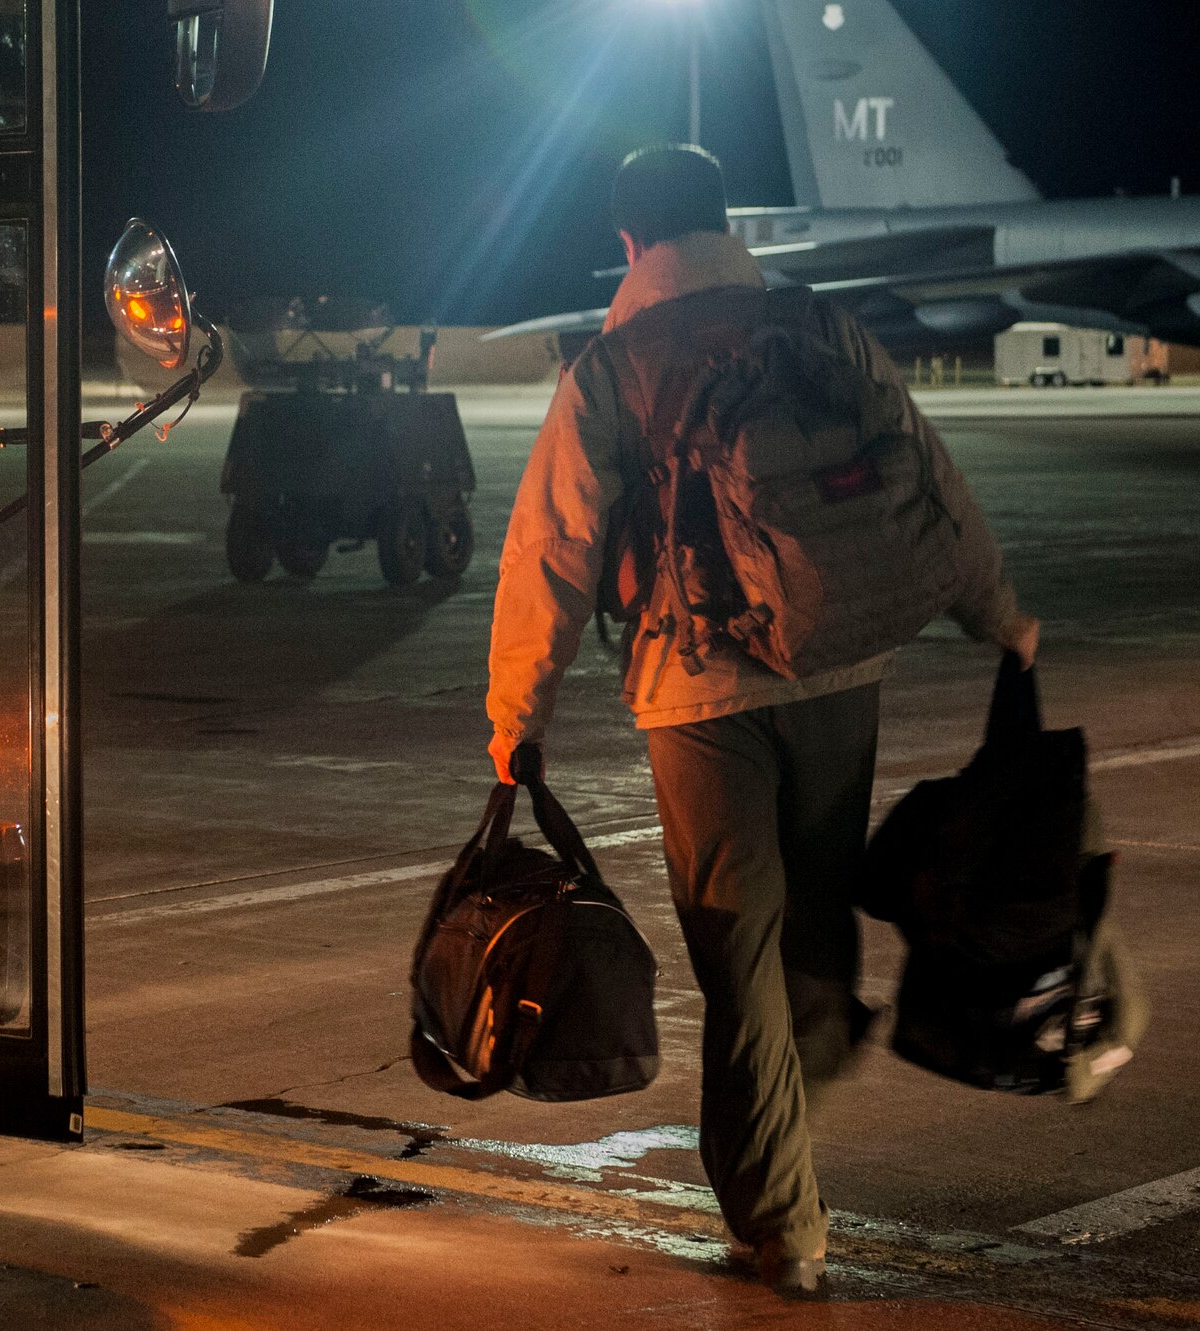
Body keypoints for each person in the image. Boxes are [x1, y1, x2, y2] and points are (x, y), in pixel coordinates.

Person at [483, 144, 1038, 1298]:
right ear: (725, 222)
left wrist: (514, 716)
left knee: (737, 964)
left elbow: (553, 549)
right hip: (840, 666)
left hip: (697, 693)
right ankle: (802, 1082)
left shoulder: (612, 363)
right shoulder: (821, 330)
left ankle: (783, 1225)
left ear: (631, 242)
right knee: (810, 937)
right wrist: (1000, 616)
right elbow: (927, 476)